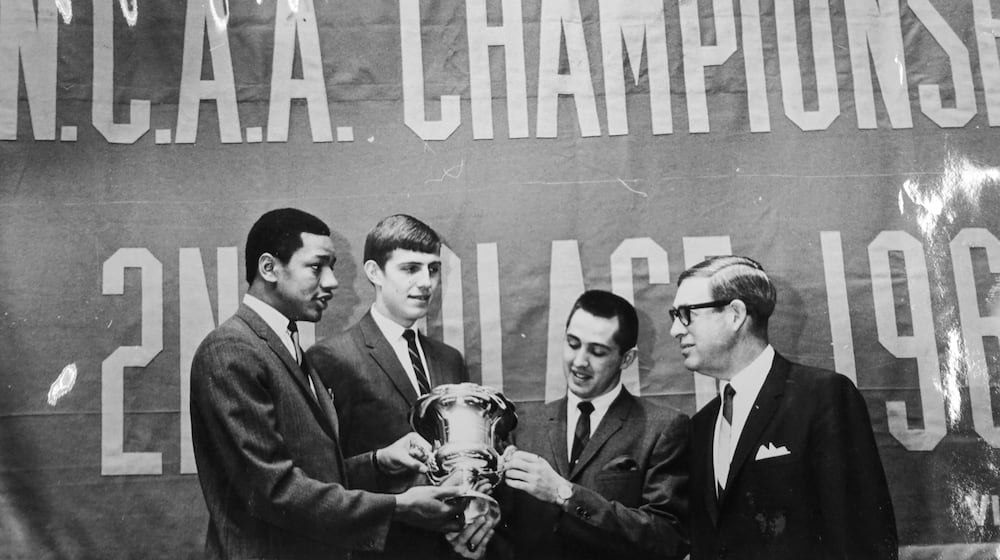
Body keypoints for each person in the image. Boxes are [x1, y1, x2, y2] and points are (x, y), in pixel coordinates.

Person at [189, 208, 465, 560]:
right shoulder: (230, 351)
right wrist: (398, 506)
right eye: (317, 266)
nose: (332, 281)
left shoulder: (286, 348)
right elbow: (274, 490)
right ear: (269, 268)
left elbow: (316, 473)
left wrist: (380, 462)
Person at [669, 255, 897, 559]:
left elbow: (862, 537)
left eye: (686, 314)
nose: (675, 330)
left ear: (735, 314)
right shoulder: (701, 426)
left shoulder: (823, 397)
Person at [477, 290, 689, 560]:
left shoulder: (663, 428)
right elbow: (507, 534)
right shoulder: (522, 427)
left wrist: (563, 493)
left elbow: (667, 538)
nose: (579, 362)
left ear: (627, 359)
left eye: (597, 352)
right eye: (573, 344)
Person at [306, 214, 468, 560]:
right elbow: (318, 479)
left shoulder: (450, 360)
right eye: (410, 269)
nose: (426, 282)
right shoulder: (332, 358)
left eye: (433, 269)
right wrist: (380, 463)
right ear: (374, 273)